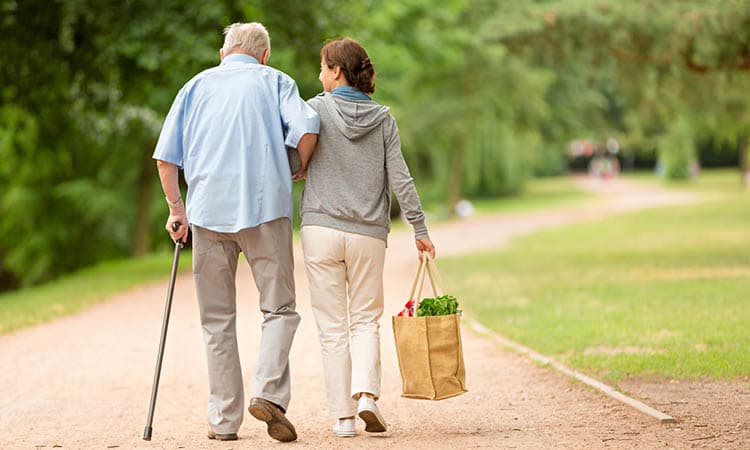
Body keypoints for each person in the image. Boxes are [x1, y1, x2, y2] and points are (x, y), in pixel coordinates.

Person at [152, 22, 319, 442]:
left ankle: (224, 421)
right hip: (265, 210)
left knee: (216, 321)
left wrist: (177, 209)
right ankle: (267, 392)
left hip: (207, 214)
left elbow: (166, 159)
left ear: (224, 52)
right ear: (263, 55)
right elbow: (308, 129)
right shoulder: (276, 81)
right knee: (279, 309)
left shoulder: (195, 86)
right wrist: (295, 168)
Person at [299, 37, 436, 438]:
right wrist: (420, 229)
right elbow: (401, 179)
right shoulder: (384, 119)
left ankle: (342, 419)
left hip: (321, 229)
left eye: (323, 67)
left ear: (337, 71)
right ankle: (367, 398)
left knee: (331, 327)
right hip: (368, 235)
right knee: (364, 321)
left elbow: (294, 160)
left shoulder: (315, 110)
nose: (319, 75)